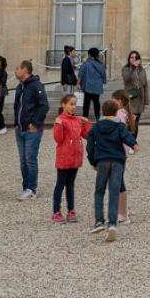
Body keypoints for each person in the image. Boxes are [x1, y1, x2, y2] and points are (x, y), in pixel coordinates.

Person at [87, 98, 138, 242]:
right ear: (116, 112)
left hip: (102, 160)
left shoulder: (96, 127)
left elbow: (90, 145)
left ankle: (98, 221)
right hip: (117, 160)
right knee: (114, 192)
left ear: (103, 112)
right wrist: (134, 144)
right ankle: (112, 224)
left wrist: (93, 161)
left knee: (99, 191)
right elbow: (126, 137)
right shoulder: (120, 126)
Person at [52, 94, 92, 222]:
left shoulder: (77, 120)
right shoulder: (60, 120)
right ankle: (56, 211)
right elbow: (58, 139)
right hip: (64, 158)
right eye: (71, 104)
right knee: (60, 185)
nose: (73, 107)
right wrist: (58, 126)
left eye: (75, 104)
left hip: (75, 158)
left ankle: (71, 210)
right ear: (63, 105)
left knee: (70, 185)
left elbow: (87, 136)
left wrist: (87, 123)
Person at [13, 60, 49, 200]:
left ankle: (31, 189)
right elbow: (17, 106)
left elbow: (44, 106)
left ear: (25, 70)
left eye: (17, 68)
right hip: (20, 128)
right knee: (23, 160)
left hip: (32, 129)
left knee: (30, 159)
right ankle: (25, 186)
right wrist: (16, 123)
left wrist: (35, 123)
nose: (15, 71)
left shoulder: (36, 85)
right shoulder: (19, 87)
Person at [111, 89, 136, 225]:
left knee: (119, 183)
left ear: (119, 102)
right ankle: (121, 212)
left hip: (117, 151)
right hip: (122, 151)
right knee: (119, 181)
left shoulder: (119, 115)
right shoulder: (126, 113)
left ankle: (123, 214)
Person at [121, 50, 149, 129]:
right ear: (129, 59)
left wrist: (146, 101)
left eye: (136, 58)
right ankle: (130, 140)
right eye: (132, 57)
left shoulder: (142, 70)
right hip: (130, 97)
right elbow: (126, 79)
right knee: (131, 122)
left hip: (140, 98)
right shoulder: (125, 69)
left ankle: (133, 140)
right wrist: (132, 67)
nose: (133, 59)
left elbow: (145, 85)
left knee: (136, 123)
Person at [78, 47, 107, 121]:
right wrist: (103, 81)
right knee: (96, 102)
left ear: (89, 54)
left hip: (87, 85)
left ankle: (85, 117)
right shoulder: (100, 65)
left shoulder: (86, 64)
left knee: (86, 102)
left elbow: (80, 75)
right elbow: (104, 75)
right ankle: (97, 116)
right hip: (97, 86)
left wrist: (78, 84)